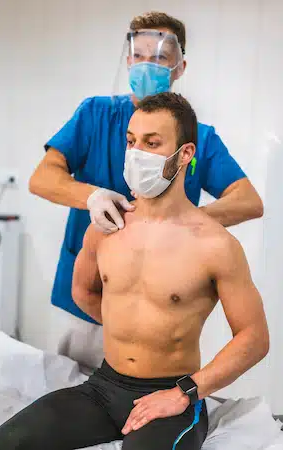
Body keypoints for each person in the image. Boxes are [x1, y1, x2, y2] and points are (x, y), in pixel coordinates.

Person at [0, 93, 269, 450]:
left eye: (152, 144)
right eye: (131, 142)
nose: (136, 154)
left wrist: (185, 393)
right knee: (3, 443)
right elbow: (82, 292)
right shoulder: (106, 226)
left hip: (172, 396)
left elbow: (254, 338)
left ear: (185, 154)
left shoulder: (215, 244)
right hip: (104, 387)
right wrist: (137, 330)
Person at [29, 11, 263, 367]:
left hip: (156, 315)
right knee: (73, 394)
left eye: (160, 57)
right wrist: (92, 197)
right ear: (127, 60)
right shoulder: (95, 114)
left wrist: (184, 220)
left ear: (179, 67)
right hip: (82, 302)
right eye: (139, 55)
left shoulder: (201, 138)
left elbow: (248, 201)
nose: (146, 65)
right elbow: (42, 178)